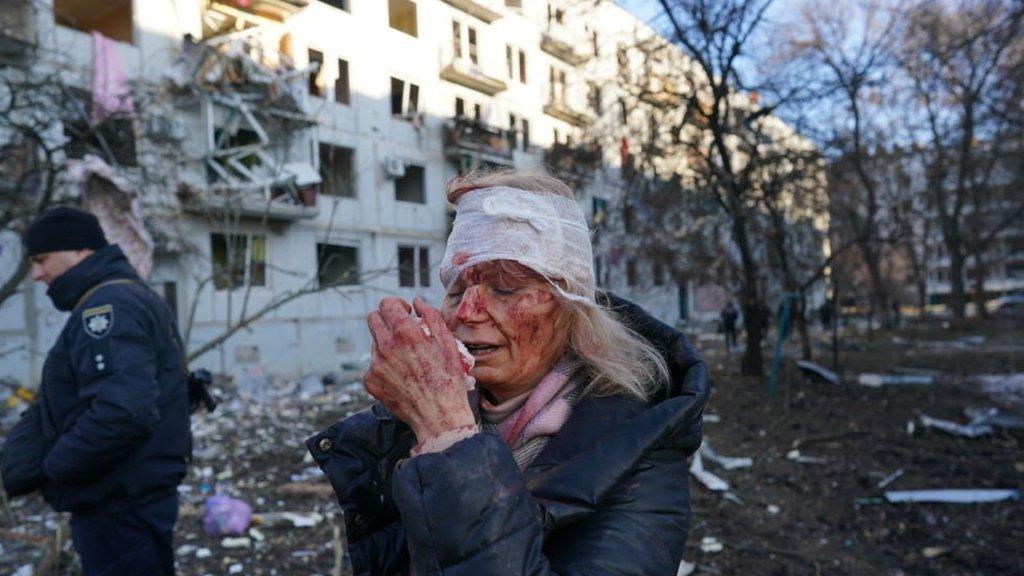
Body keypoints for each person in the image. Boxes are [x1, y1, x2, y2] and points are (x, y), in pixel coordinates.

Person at [307, 170, 709, 575]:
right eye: (457, 290)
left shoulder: (642, 453)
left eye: (504, 289)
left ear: (572, 312)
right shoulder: (422, 417)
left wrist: (448, 437)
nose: (466, 313)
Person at [1, 207, 189, 576]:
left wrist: (55, 467)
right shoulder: (123, 297)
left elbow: (123, 412)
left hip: (118, 505)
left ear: (80, 252)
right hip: (128, 499)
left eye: (42, 260)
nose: (37, 274)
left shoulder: (108, 307)